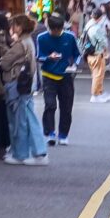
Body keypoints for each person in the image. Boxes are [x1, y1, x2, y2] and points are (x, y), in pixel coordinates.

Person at [0, 13, 47, 165]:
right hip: (27, 84)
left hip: (17, 84)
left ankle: (22, 153)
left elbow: (4, 63)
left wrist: (3, 52)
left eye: (14, 25)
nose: (12, 28)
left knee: (20, 120)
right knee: (27, 118)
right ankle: (35, 152)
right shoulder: (29, 41)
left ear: (20, 27)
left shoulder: (20, 44)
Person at [34, 13, 83, 145]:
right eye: (53, 30)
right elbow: (38, 57)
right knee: (50, 105)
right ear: (49, 27)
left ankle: (63, 134)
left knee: (66, 107)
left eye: (58, 30)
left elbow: (78, 55)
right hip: (48, 76)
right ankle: (49, 132)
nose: (56, 32)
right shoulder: (41, 38)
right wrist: (48, 57)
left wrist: (75, 64)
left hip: (66, 75)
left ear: (62, 28)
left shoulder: (70, 37)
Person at [83, 7, 110, 99]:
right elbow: (103, 42)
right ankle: (95, 95)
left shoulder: (88, 25)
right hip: (97, 54)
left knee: (95, 74)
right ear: (100, 18)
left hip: (89, 53)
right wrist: (107, 51)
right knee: (98, 75)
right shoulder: (96, 28)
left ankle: (99, 92)